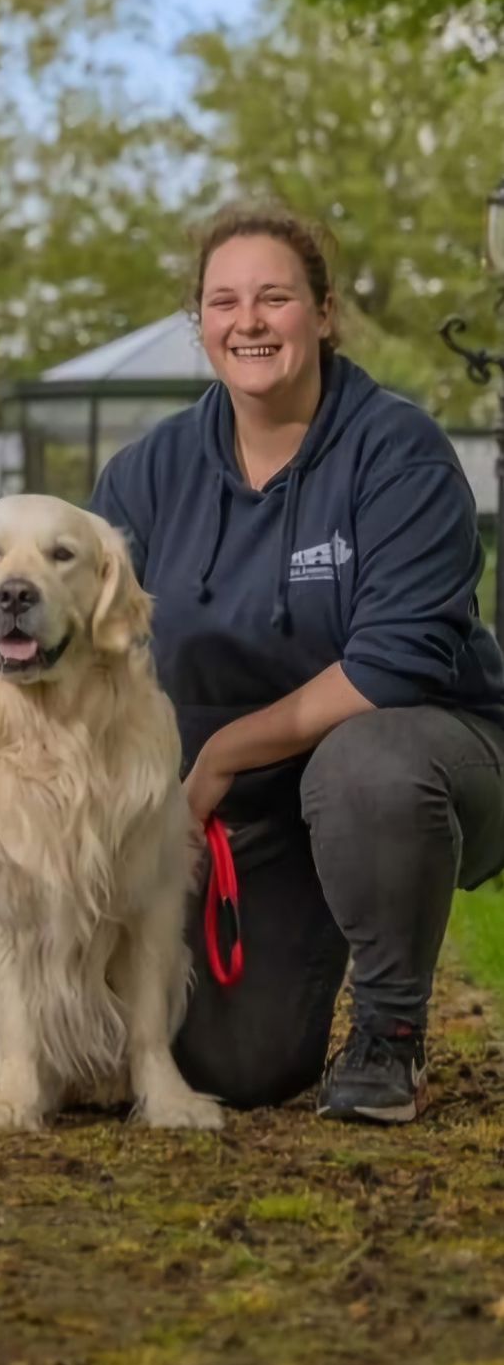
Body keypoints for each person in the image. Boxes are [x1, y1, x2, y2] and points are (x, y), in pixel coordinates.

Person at [89, 205, 504, 1124]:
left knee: (368, 766)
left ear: (322, 314)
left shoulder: (399, 454)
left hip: (422, 759)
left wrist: (226, 752)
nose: (249, 321)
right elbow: (95, 651)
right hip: (239, 812)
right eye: (224, 301)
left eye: (274, 297)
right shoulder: (146, 476)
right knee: (235, 1069)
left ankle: (390, 1035)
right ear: (199, 322)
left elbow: (393, 666)